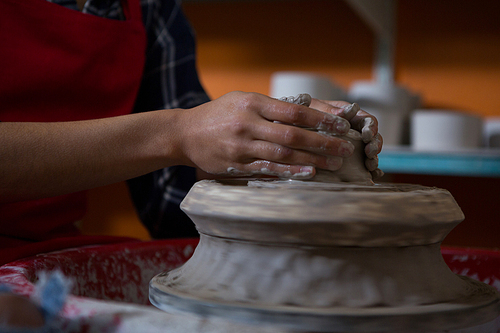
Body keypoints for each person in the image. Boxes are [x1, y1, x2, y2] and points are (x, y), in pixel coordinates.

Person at [0, 0, 382, 327]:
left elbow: (168, 194)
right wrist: (178, 132)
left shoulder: (148, 7)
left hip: (49, 251)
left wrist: (282, 146)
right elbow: (181, 136)